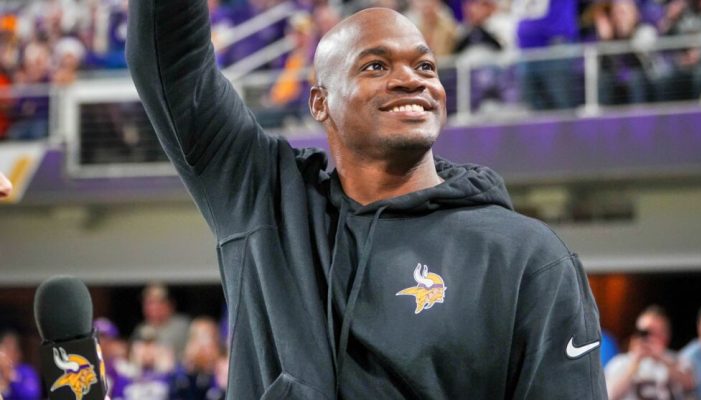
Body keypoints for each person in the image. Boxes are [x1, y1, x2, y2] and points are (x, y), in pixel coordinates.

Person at [127, 2, 606, 398]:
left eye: (425, 65)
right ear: (320, 102)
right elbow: (170, 62)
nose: (412, 79)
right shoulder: (266, 199)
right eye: (376, 65)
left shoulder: (528, 256)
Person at [605, 305, 696, 400]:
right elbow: (609, 395)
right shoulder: (620, 362)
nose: (648, 338)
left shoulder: (677, 359)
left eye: (655, 333)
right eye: (644, 332)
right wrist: (634, 364)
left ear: (666, 336)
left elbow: (690, 384)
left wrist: (661, 359)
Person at [131, 283, 190, 360]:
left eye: (159, 302)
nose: (154, 307)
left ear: (170, 304)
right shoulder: (140, 329)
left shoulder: (182, 326)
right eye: (149, 303)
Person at [0, 329, 42, 400]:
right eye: (6, 349)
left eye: (12, 349)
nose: (8, 353)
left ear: (18, 352)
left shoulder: (26, 371)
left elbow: (32, 395)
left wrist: (11, 376)